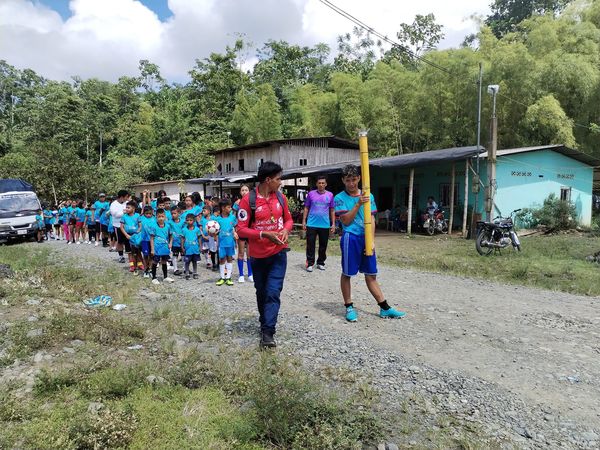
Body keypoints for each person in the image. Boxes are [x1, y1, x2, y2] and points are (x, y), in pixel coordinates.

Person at [334, 164, 406, 322]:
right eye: (348, 180)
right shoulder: (339, 198)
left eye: (354, 179)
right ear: (343, 180)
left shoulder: (369, 196)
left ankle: (384, 307)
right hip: (350, 237)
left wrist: (371, 240)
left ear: (359, 178)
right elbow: (345, 221)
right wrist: (358, 204)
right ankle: (349, 306)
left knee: (371, 273)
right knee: (347, 273)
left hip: (365, 237)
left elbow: (372, 219)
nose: (351, 183)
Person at [236, 161, 293, 348]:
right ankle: (264, 321)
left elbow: (288, 220)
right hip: (258, 257)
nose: (281, 182)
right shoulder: (248, 201)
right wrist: (263, 234)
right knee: (261, 292)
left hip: (278, 253)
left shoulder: (281, 198)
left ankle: (268, 332)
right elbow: (241, 229)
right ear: (268, 180)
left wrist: (285, 230)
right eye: (278, 179)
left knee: (273, 292)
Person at [302, 175, 335, 272]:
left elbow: (332, 210)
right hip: (311, 224)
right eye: (319, 183)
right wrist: (304, 221)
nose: (321, 185)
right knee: (310, 244)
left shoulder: (330, 195)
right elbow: (306, 207)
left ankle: (321, 262)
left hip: (324, 224)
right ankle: (310, 263)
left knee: (323, 245)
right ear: (316, 184)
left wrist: (333, 223)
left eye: (323, 183)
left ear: (326, 184)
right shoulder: (311, 194)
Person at [215, 198, 237, 286]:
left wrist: (235, 233)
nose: (230, 208)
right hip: (222, 243)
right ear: (223, 208)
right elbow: (214, 231)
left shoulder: (232, 217)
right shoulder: (218, 219)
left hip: (230, 243)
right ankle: (222, 277)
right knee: (222, 259)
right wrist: (213, 234)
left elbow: (235, 227)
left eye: (230, 207)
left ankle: (228, 277)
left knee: (229, 259)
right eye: (228, 207)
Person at [233, 184, 253, 283]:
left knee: (250, 254)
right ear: (240, 192)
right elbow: (233, 218)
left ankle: (250, 274)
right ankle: (241, 275)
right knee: (241, 253)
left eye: (246, 190)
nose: (244, 192)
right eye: (242, 190)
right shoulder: (237, 203)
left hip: (251, 230)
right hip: (241, 230)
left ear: (249, 191)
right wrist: (234, 230)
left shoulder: (252, 202)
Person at [150, 208, 173, 285]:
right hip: (157, 248)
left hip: (165, 247)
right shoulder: (154, 226)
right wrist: (152, 249)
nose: (161, 218)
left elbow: (171, 235)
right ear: (156, 217)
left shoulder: (168, 226)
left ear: (165, 217)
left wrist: (170, 243)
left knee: (164, 261)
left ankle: (165, 277)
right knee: (155, 262)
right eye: (159, 216)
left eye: (162, 216)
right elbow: (151, 238)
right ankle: (154, 278)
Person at [120, 200, 141, 273]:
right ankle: (132, 265)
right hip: (128, 236)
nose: (126, 209)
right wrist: (126, 235)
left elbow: (140, 226)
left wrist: (137, 232)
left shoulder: (137, 215)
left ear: (133, 208)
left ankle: (139, 264)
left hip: (136, 236)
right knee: (129, 252)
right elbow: (121, 227)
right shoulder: (124, 216)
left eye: (128, 208)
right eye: (126, 207)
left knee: (137, 251)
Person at [181, 213, 201, 280]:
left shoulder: (197, 229)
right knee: (187, 262)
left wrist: (200, 246)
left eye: (190, 220)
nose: (189, 222)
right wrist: (182, 246)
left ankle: (195, 273)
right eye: (187, 220)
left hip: (195, 249)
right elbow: (182, 238)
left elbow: (199, 238)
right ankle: (187, 273)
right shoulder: (184, 230)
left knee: (194, 261)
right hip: (187, 249)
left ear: (194, 221)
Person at [110, 190, 129, 263]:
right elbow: (115, 214)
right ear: (121, 197)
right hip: (117, 226)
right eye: (126, 197)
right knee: (120, 241)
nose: (127, 198)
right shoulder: (113, 204)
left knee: (128, 241)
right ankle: (121, 256)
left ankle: (130, 256)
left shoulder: (127, 203)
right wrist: (124, 212)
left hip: (127, 226)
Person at [139, 206, 155, 278]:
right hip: (144, 240)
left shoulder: (154, 219)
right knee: (145, 255)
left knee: (152, 255)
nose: (148, 215)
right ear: (144, 213)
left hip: (153, 240)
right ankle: (145, 270)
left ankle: (150, 269)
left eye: (150, 213)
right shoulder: (141, 218)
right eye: (146, 213)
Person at [199, 205, 216, 269]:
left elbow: (216, 227)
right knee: (205, 250)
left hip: (212, 237)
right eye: (202, 211)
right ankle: (208, 262)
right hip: (205, 238)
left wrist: (213, 235)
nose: (203, 212)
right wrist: (203, 235)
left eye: (204, 211)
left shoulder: (213, 218)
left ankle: (214, 262)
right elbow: (200, 228)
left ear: (209, 211)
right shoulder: (202, 219)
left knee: (212, 250)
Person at [169, 205, 184, 276]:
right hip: (174, 242)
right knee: (175, 255)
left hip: (182, 242)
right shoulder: (169, 222)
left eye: (174, 213)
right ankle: (175, 269)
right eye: (172, 213)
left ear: (179, 213)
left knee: (183, 255)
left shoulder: (183, 222)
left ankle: (185, 268)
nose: (173, 215)